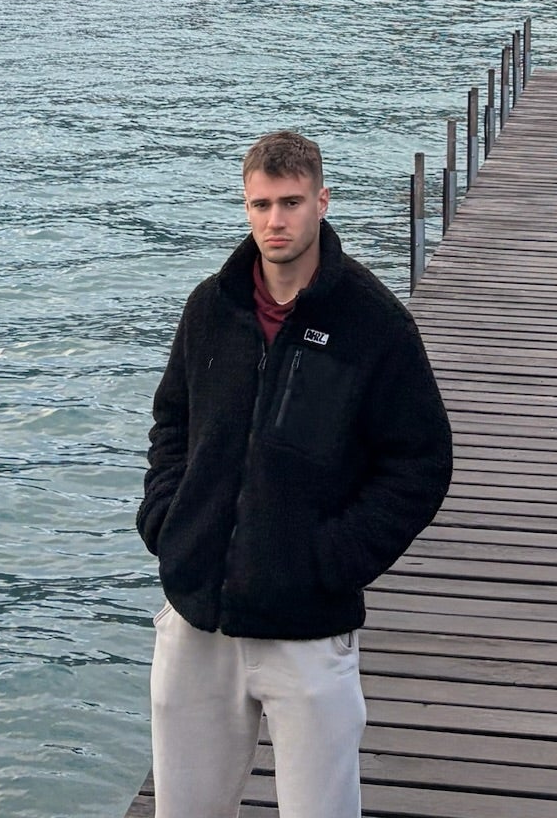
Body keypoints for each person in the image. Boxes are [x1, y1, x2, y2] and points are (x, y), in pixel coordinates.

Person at [138, 130, 453, 818]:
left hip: (308, 628)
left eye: (290, 203)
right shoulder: (208, 310)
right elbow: (172, 424)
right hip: (198, 621)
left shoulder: (376, 326)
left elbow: (422, 464)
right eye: (260, 205)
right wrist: (168, 523)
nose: (274, 221)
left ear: (321, 201)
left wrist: (333, 557)